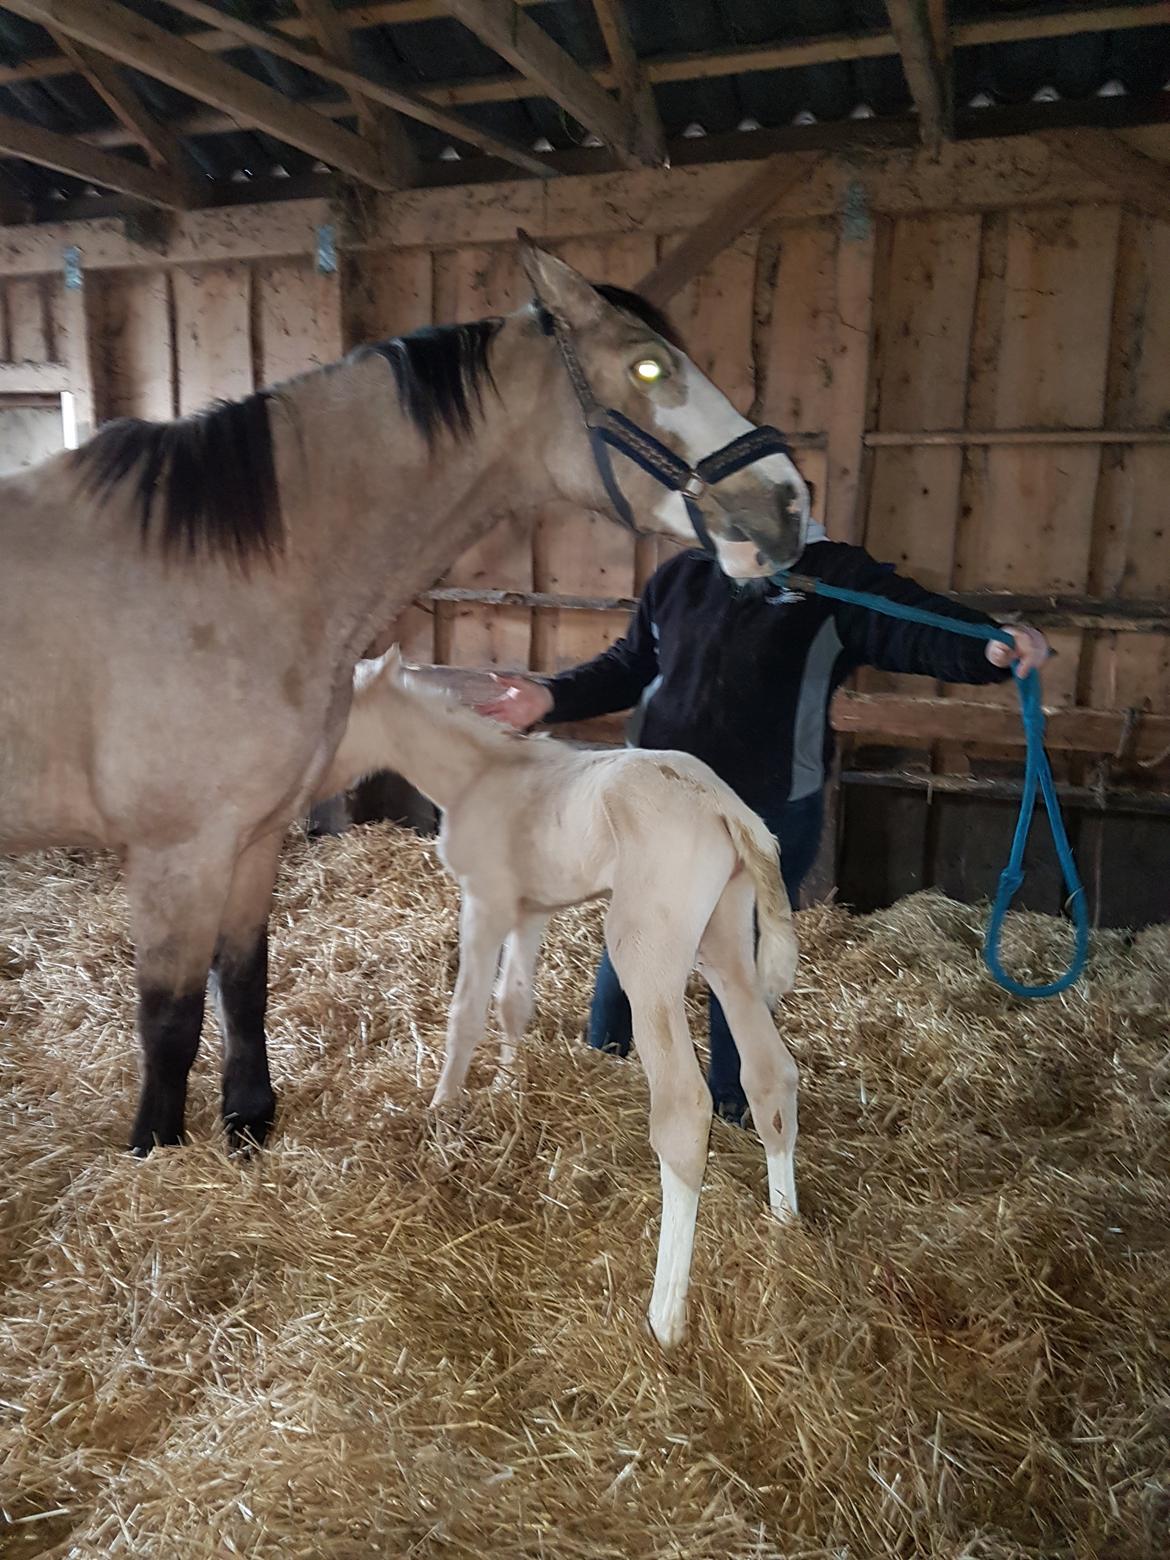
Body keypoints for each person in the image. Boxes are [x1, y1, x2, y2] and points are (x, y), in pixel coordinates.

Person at [476, 530, 1050, 1125]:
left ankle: (734, 1103)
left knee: (739, 954)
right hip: (660, 805)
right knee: (636, 931)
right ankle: (606, 1068)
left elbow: (908, 625)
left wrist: (987, 644)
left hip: (764, 811)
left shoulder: (829, 577)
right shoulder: (684, 575)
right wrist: (551, 696)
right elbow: (631, 664)